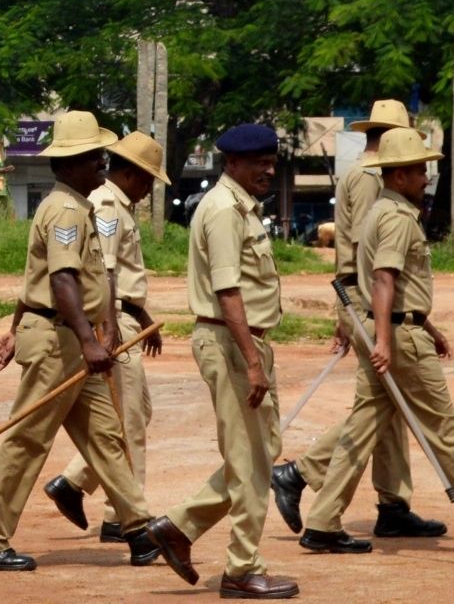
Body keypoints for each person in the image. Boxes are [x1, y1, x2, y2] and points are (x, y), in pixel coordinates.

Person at [294, 127, 454, 556]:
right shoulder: (395, 217)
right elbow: (384, 279)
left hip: (399, 328)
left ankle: (321, 521)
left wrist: (426, 327)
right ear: (398, 177)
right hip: (399, 337)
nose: (426, 177)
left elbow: (395, 284)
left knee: (361, 428)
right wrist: (388, 342)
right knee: (444, 429)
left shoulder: (382, 211)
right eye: (418, 170)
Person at [0, 112, 154, 573]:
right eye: (94, 159)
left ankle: (139, 527)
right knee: (29, 440)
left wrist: (90, 334)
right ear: (70, 164)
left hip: (73, 338)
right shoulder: (66, 210)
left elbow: (65, 280)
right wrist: (90, 340)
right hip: (59, 342)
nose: (102, 167)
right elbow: (62, 278)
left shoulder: (78, 206)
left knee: (106, 437)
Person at [271, 99, 443, 543]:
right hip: (373, 302)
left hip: (357, 298)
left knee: (385, 408)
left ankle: (392, 503)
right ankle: (301, 473)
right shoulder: (376, 182)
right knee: (376, 408)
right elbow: (378, 260)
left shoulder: (352, 173)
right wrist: (369, 319)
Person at [145, 123, 295, 601]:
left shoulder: (242, 208)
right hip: (231, 342)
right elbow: (228, 291)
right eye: (258, 163)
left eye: (271, 162)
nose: (268, 170)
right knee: (249, 460)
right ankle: (242, 568)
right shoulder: (225, 211)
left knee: (262, 449)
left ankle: (179, 526)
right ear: (232, 164)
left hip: (244, 342)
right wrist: (252, 360)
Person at [44, 129, 171, 557]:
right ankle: (124, 517)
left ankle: (75, 480)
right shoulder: (107, 206)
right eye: (149, 178)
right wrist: (109, 328)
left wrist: (141, 313)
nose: (151, 187)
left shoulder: (116, 204)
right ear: (132, 174)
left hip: (122, 318)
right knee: (127, 419)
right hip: (109, 322)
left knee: (138, 411)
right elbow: (105, 273)